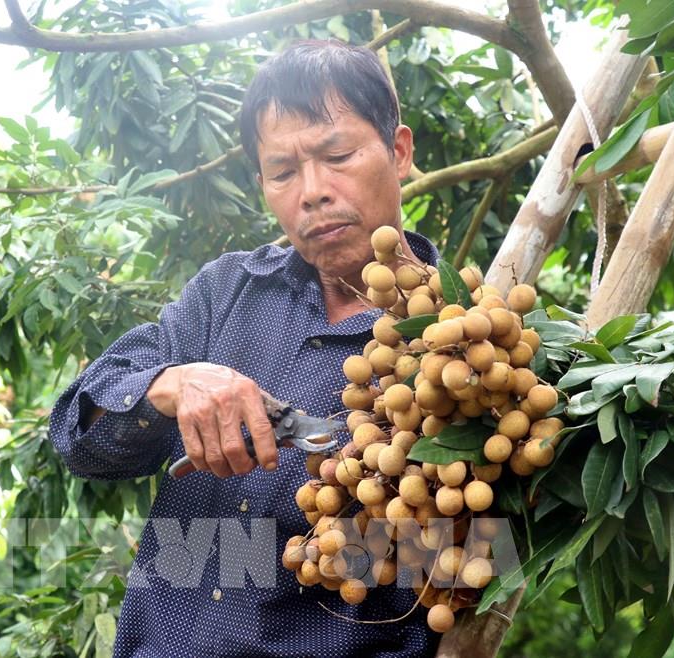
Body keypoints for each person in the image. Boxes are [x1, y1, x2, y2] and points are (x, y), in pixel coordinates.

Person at [49, 40, 441, 657]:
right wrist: (166, 389)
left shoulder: (461, 354)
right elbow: (79, 437)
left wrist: (371, 507)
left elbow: (456, 575)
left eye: (337, 155)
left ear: (398, 152)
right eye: (283, 173)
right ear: (261, 184)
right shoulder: (226, 291)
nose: (312, 191)